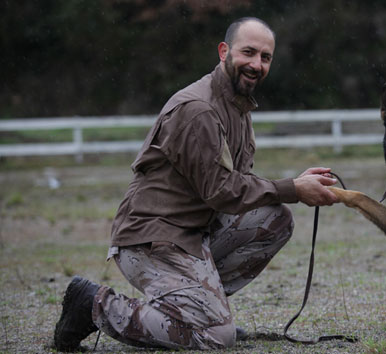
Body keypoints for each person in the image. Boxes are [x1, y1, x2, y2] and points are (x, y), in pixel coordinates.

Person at [53, 17, 339, 351]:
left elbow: (240, 183)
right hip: (152, 239)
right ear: (224, 52)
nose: (256, 64)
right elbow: (220, 191)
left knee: (274, 219)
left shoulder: (238, 106)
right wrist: (293, 188)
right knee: (217, 337)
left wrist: (295, 186)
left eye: (265, 57)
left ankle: (198, 306)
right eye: (248, 52)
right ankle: (93, 305)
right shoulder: (199, 109)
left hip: (192, 234)